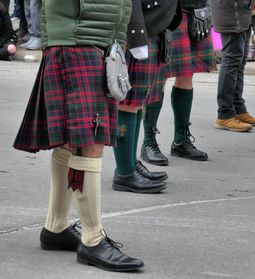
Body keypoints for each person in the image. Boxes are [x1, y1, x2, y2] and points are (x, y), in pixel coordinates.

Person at [13, 0, 144, 272]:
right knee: (89, 140)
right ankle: (93, 239)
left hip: (95, 36)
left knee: (74, 140)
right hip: (77, 36)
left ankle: (56, 225)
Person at [112, 0, 182, 192]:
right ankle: (124, 171)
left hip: (152, 27)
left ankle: (131, 164)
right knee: (129, 102)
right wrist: (137, 34)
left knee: (138, 102)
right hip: (140, 30)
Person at [140, 0, 217, 166]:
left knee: (187, 74)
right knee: (160, 75)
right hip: (166, 11)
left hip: (195, 10)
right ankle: (148, 141)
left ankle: (181, 140)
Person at [210, 0, 255, 132]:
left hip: (243, 11)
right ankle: (225, 113)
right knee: (232, 61)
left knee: (239, 62)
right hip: (233, 11)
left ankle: (238, 109)